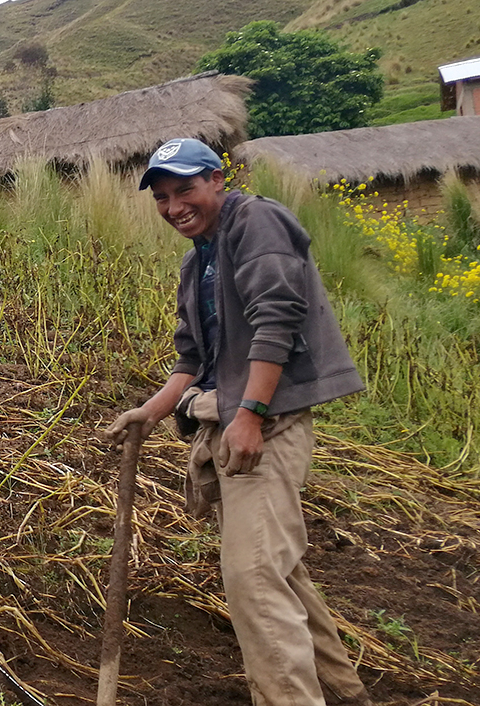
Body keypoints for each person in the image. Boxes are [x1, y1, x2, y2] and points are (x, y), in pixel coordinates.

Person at [106, 138, 370, 705]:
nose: (174, 206)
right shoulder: (197, 259)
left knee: (253, 577)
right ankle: (344, 693)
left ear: (217, 180)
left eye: (186, 190)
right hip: (233, 426)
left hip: (266, 428)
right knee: (276, 571)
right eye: (162, 197)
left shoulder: (256, 222)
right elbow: (192, 359)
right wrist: (150, 412)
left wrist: (249, 415)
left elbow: (278, 319)